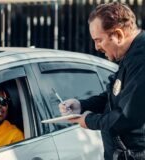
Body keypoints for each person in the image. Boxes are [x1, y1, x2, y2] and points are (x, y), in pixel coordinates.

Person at [59, 2, 145, 160]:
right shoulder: (132, 56)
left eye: (99, 40)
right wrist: (82, 105)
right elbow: (114, 97)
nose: (96, 47)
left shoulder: (141, 58)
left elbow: (126, 116)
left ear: (118, 35)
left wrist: (89, 120)